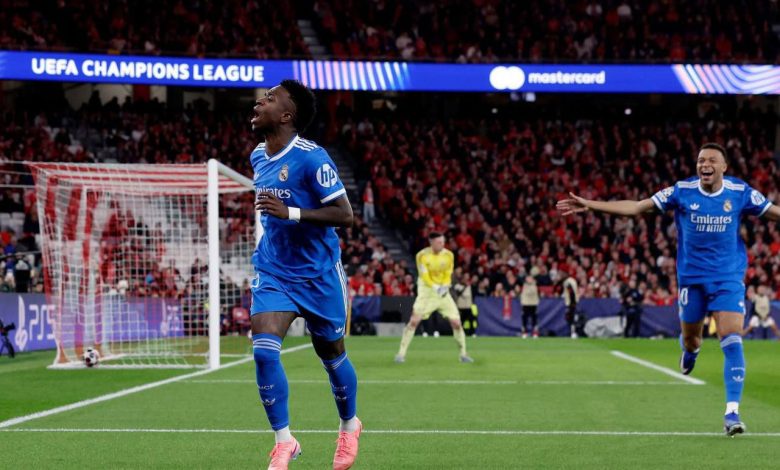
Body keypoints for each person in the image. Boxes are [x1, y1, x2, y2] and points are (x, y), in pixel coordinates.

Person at [557, 142, 780, 436]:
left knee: (732, 336)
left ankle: (732, 413)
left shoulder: (740, 192)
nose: (705, 164)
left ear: (724, 167)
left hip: (727, 278)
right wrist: (591, 204)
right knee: (692, 338)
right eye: (701, 160)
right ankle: (690, 350)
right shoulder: (681, 191)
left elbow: (774, 212)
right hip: (691, 279)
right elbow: (637, 207)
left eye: (711, 160)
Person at [249, 79, 361, 470]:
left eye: (270, 98)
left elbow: (345, 215)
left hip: (318, 274)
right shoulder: (257, 156)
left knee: (331, 355)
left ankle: (349, 425)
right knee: (264, 351)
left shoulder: (313, 158)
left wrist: (291, 213)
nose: (260, 101)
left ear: (286, 115)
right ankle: (284, 441)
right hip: (275, 270)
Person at [395, 232, 473, 363]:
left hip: (442, 293)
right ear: (431, 243)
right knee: (414, 321)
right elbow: (424, 275)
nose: (442, 244)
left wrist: (445, 286)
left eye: (443, 242)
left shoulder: (448, 255)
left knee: (456, 323)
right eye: (439, 242)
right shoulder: (422, 255)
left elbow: (448, 273)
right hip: (427, 292)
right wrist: (435, 286)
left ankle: (463, 354)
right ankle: (401, 354)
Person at [452, 270, 476, 336]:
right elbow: (460, 293)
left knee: (471, 320)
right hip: (461, 307)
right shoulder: (457, 286)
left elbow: (470, 295)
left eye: (468, 277)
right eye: (465, 277)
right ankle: (459, 333)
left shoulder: (469, 286)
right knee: (461, 321)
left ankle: (472, 333)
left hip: (468, 307)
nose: (466, 278)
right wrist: (465, 286)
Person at [561, 272, 580, 338]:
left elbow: (572, 293)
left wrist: (573, 302)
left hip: (572, 303)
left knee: (573, 318)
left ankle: (573, 332)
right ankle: (573, 332)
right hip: (571, 302)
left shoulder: (568, 282)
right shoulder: (569, 281)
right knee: (571, 318)